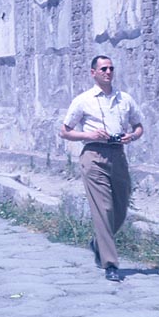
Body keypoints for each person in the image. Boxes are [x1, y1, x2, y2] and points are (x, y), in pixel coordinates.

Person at [60, 55, 145, 282]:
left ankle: (98, 243)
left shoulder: (124, 99)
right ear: (93, 73)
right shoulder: (83, 100)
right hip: (93, 156)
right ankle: (111, 264)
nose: (108, 72)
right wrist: (89, 134)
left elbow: (139, 126)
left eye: (111, 69)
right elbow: (65, 131)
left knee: (121, 207)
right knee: (104, 209)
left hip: (118, 155)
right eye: (103, 69)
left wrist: (132, 136)